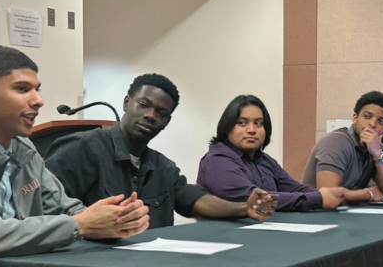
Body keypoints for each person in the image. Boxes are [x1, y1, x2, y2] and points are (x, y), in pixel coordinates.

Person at [0, 46, 151, 267]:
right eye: (22, 89)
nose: (38, 100)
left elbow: (63, 208)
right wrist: (79, 225)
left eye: (37, 89)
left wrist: (115, 219)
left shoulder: (24, 147)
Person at [45, 74, 277, 228]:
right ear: (127, 102)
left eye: (161, 113)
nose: (150, 115)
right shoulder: (83, 149)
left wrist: (244, 208)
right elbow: (45, 211)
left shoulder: (162, 167)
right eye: (144, 105)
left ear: (166, 122)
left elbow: (193, 200)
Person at [197, 95, 345, 211]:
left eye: (258, 123)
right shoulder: (217, 161)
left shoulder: (264, 160)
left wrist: (332, 195)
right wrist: (319, 198)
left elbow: (295, 189)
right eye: (242, 123)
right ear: (227, 126)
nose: (251, 130)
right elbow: (257, 201)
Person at [301, 91, 383, 203]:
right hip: (314, 215)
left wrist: (378, 154)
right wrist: (368, 194)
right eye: (367, 116)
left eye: (381, 121)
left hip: (346, 214)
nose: (372, 124)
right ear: (355, 117)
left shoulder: (378, 148)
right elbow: (328, 196)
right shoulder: (336, 142)